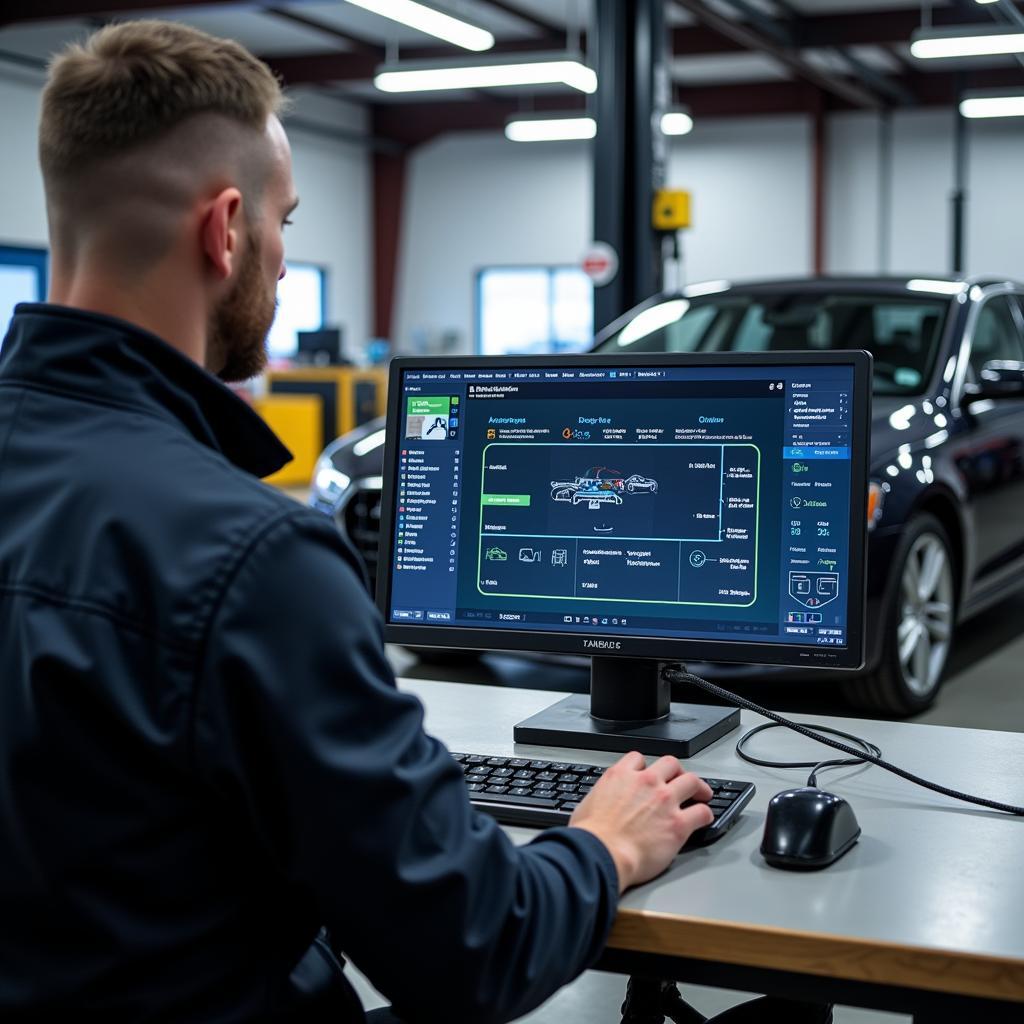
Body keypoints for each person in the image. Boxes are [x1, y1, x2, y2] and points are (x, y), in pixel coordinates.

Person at [0, 21, 829, 1024]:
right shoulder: (245, 559)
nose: (278, 249)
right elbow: (476, 947)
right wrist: (603, 840)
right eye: (285, 222)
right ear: (226, 230)